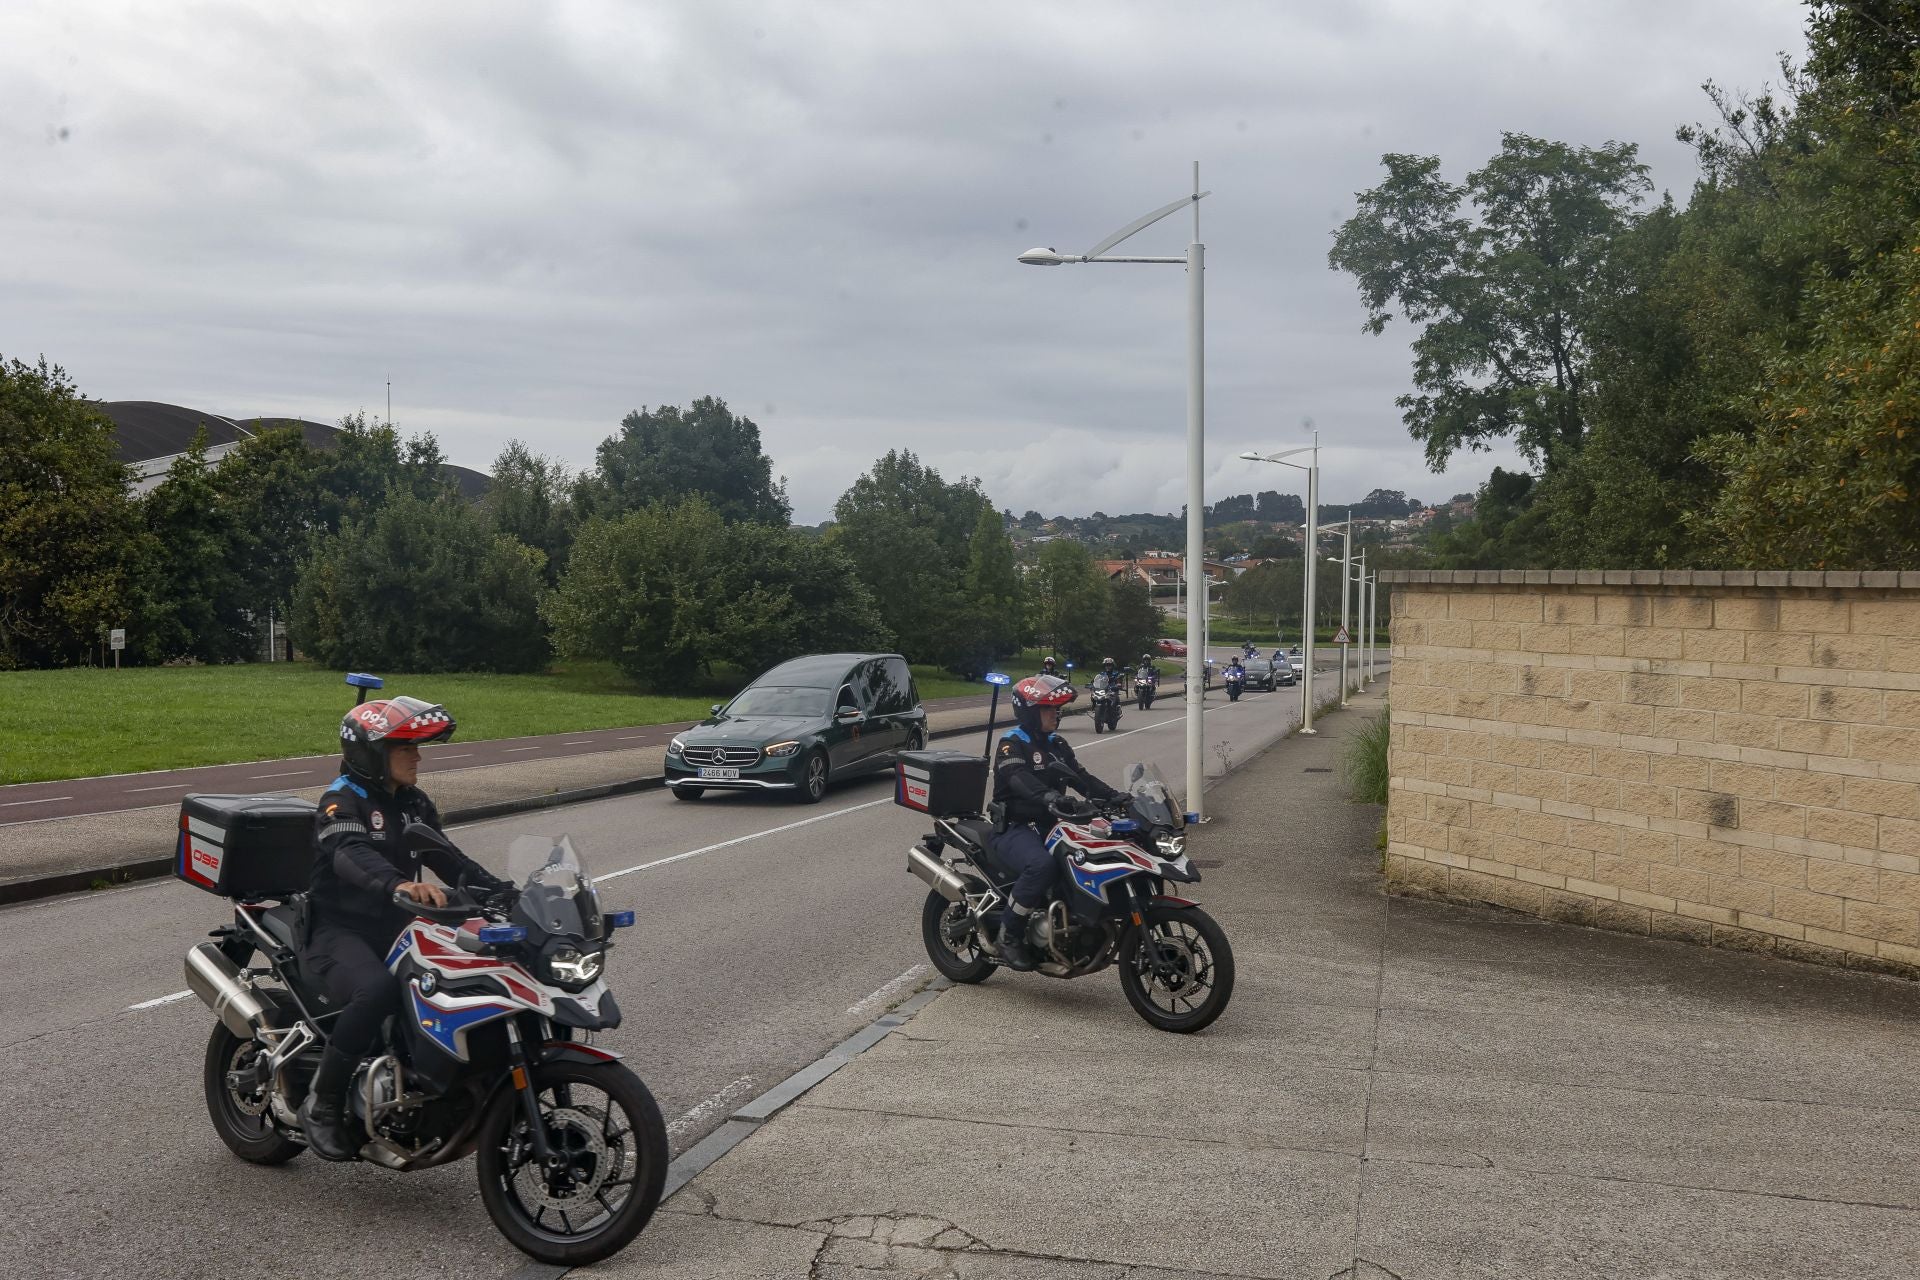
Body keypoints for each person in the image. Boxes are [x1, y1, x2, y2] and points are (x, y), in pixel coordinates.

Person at [298, 695, 512, 1161]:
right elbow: (349, 854)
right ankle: (324, 1104)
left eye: (417, 748)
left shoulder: (412, 802)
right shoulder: (340, 801)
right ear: (372, 755)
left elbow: (447, 858)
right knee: (375, 991)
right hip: (338, 929)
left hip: (397, 925)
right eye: (405, 749)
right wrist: (398, 884)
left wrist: (503, 892)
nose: (417, 758)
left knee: (458, 978)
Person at [990, 675, 1122, 971]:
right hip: (1014, 826)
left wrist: (1116, 797)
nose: (1056, 713)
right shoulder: (1012, 743)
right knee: (1042, 866)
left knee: (1089, 855)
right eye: (1048, 708)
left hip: (1052, 824)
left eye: (1058, 707)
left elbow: (1081, 779)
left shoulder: (1057, 744)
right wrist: (1048, 795)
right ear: (1028, 712)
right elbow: (1018, 778)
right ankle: (1008, 935)